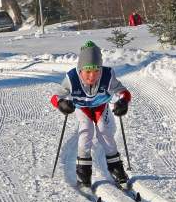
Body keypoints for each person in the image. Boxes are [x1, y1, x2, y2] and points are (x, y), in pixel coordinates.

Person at [50, 41, 132, 187]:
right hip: (82, 107)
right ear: (80, 69)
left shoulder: (108, 75)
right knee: (86, 132)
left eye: (96, 71)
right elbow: (55, 97)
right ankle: (83, 172)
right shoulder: (72, 78)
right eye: (88, 71)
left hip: (101, 106)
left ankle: (117, 169)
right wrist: (62, 104)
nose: (92, 76)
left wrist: (123, 101)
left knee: (104, 132)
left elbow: (123, 91)